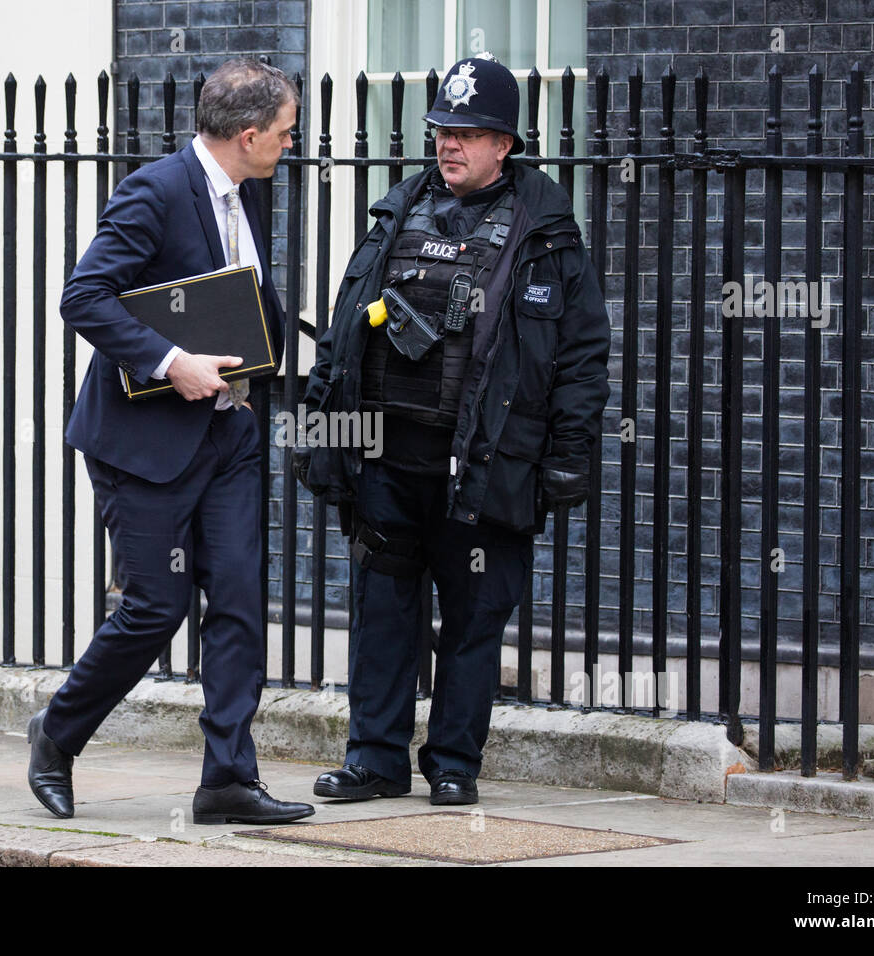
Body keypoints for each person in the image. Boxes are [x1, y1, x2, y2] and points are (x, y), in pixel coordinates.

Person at [295, 53, 610, 806]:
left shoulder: (547, 230)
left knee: (473, 618)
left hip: (487, 466)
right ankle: (374, 760)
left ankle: (453, 766)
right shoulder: (397, 209)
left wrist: (568, 461)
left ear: (506, 143)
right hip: (387, 460)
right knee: (381, 612)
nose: (449, 144)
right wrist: (320, 429)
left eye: (468, 133)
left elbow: (582, 357)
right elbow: (344, 328)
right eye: (442, 130)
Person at [28, 58, 313, 826]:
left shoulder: (244, 190)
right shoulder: (155, 191)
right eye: (285, 134)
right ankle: (56, 735)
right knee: (156, 608)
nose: (292, 144)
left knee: (241, 603)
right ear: (248, 134)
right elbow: (83, 296)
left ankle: (226, 779)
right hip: (145, 443)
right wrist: (169, 361)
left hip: (230, 433)